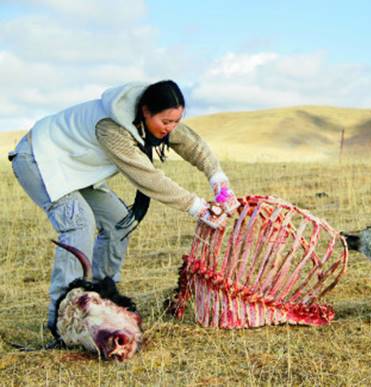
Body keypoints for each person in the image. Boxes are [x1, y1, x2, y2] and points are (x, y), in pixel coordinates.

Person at [9, 80, 238, 344]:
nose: (171, 128)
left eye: (176, 121)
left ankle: (102, 301)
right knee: (78, 223)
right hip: (38, 159)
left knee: (119, 221)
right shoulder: (112, 127)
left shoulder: (154, 120)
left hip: (72, 167)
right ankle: (63, 318)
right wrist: (199, 208)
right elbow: (147, 177)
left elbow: (192, 144)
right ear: (145, 111)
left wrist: (218, 180)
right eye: (166, 122)